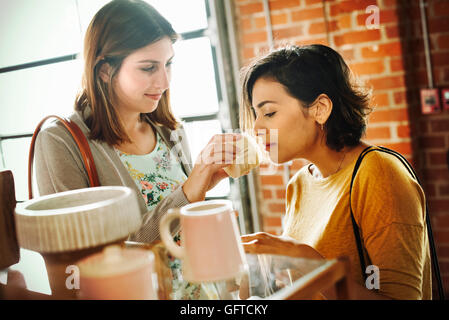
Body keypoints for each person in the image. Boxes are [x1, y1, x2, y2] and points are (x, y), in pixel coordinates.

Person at [34, 0, 238, 245]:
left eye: (168, 64)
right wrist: (186, 194)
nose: (164, 82)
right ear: (105, 71)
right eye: (149, 68)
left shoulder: (170, 130)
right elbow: (96, 256)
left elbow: (184, 232)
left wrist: (202, 187)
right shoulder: (60, 141)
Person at [239, 44, 431, 300]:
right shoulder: (299, 185)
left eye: (269, 112)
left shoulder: (378, 173)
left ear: (320, 109)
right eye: (255, 113)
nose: (257, 126)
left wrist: (308, 262)